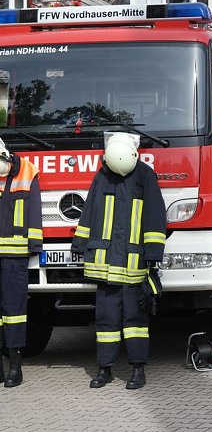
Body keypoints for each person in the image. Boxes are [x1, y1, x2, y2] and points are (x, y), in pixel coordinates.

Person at [71, 133, 167, 390]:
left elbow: (155, 217)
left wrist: (154, 254)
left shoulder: (145, 175)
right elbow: (89, 210)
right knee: (106, 321)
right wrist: (79, 244)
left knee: (135, 321)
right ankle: (105, 370)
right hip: (105, 268)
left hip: (134, 265)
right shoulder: (102, 175)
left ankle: (138, 369)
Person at [0, 139, 42, 388]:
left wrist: (34, 247)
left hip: (15, 257)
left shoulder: (27, 171)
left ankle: (15, 367)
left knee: (14, 311)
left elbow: (34, 211)